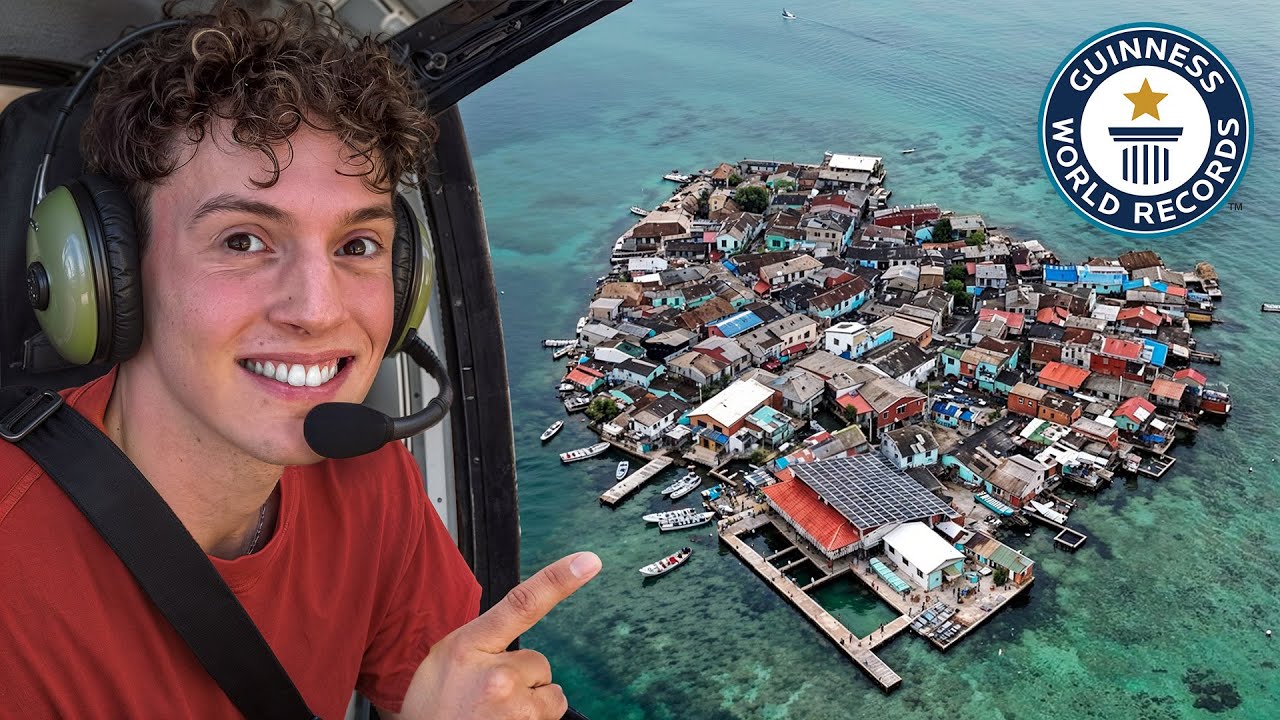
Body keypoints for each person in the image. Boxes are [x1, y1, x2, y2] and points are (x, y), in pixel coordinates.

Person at [0, 3, 599, 719]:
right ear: (108, 276)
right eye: (242, 241)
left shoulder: (365, 480)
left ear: (406, 283)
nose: (316, 311)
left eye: (357, 247)